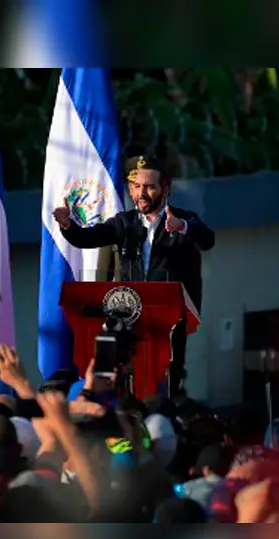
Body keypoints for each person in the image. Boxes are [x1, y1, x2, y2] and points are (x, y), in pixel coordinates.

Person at [52, 155, 215, 398]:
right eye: (136, 186)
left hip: (168, 321)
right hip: (129, 315)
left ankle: (165, 410)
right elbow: (88, 238)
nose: (142, 193)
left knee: (165, 382)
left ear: (165, 189)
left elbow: (207, 240)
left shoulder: (184, 219)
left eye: (149, 187)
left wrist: (181, 226)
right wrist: (67, 225)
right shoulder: (124, 223)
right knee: (127, 377)